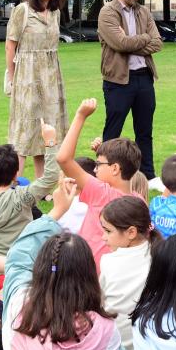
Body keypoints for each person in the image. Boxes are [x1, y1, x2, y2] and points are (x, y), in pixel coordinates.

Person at [0, 188, 137, 350]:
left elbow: (18, 257)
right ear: (89, 274)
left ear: (40, 270)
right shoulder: (104, 329)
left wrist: (58, 209)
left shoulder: (18, 304)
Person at [56, 98, 143, 270]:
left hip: (88, 274)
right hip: (117, 275)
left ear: (115, 168)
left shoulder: (101, 192)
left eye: (98, 165)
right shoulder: (138, 200)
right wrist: (104, 154)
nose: (95, 170)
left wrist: (80, 116)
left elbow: (63, 159)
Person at [0, 123, 60, 289]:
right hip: (21, 272)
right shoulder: (21, 197)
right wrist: (50, 142)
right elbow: (50, 177)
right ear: (15, 175)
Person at [98, 0, 163, 182]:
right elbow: (120, 43)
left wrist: (133, 40)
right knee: (113, 132)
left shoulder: (143, 12)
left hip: (144, 77)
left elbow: (157, 42)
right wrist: (142, 39)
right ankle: (103, 172)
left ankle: (148, 176)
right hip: (118, 81)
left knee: (145, 130)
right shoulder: (107, 12)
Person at [5, 0, 68, 179]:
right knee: (24, 131)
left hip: (51, 77)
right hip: (27, 77)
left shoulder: (55, 12)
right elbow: (10, 46)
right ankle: (14, 185)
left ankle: (44, 184)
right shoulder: (22, 10)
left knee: (48, 129)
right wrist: (13, 79)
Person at [99, 195, 163, 350]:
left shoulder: (108, 262)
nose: (103, 237)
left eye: (108, 231)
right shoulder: (162, 255)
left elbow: (98, 305)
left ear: (131, 232)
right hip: (153, 347)